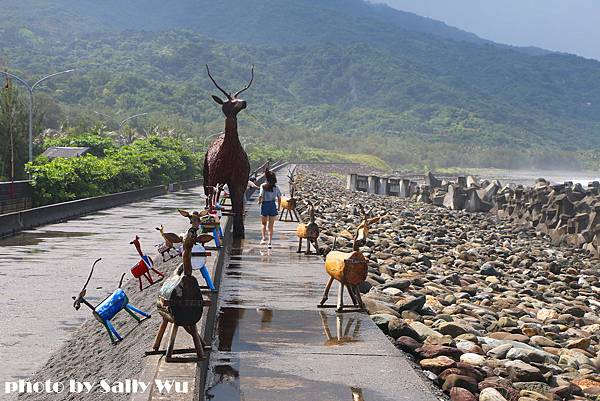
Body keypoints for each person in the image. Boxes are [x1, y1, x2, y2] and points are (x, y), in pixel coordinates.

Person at [258, 169, 282, 247]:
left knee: (263, 224)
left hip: (265, 205)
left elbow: (261, 195)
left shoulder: (263, 186)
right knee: (271, 225)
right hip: (272, 205)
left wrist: (259, 201)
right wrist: (278, 207)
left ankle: (263, 238)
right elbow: (279, 198)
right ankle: (270, 242)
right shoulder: (276, 187)